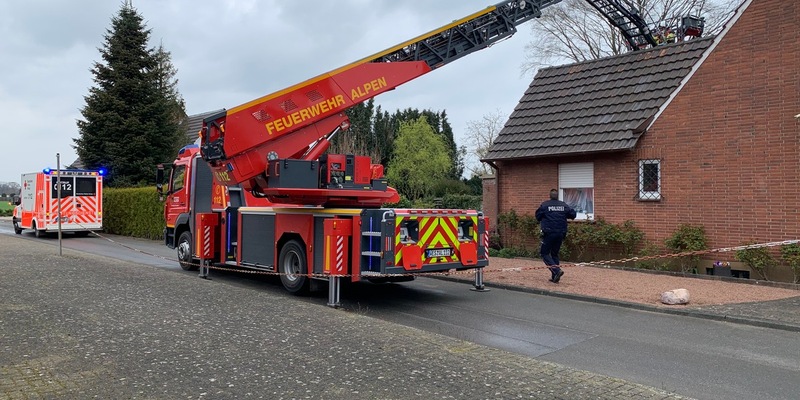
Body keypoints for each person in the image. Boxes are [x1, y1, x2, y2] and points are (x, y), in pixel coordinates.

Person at [535, 189, 577, 283]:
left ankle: (557, 271)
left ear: (550, 196)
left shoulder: (545, 205)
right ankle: (555, 277)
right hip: (561, 233)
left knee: (544, 253)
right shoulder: (564, 205)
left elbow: (537, 216)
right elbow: (573, 215)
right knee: (554, 253)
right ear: (557, 196)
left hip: (549, 233)